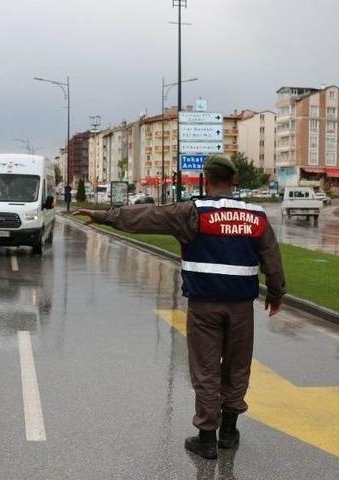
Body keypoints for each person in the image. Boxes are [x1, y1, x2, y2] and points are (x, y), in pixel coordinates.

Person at [74, 155, 286, 459]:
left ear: (206, 178)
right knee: (237, 367)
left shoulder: (192, 212)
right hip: (241, 309)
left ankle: (207, 439)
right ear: (234, 179)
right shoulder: (256, 216)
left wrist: (105, 216)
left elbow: (145, 217)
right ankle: (229, 431)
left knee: (206, 370)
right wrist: (276, 295)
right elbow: (273, 261)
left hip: (204, 307)